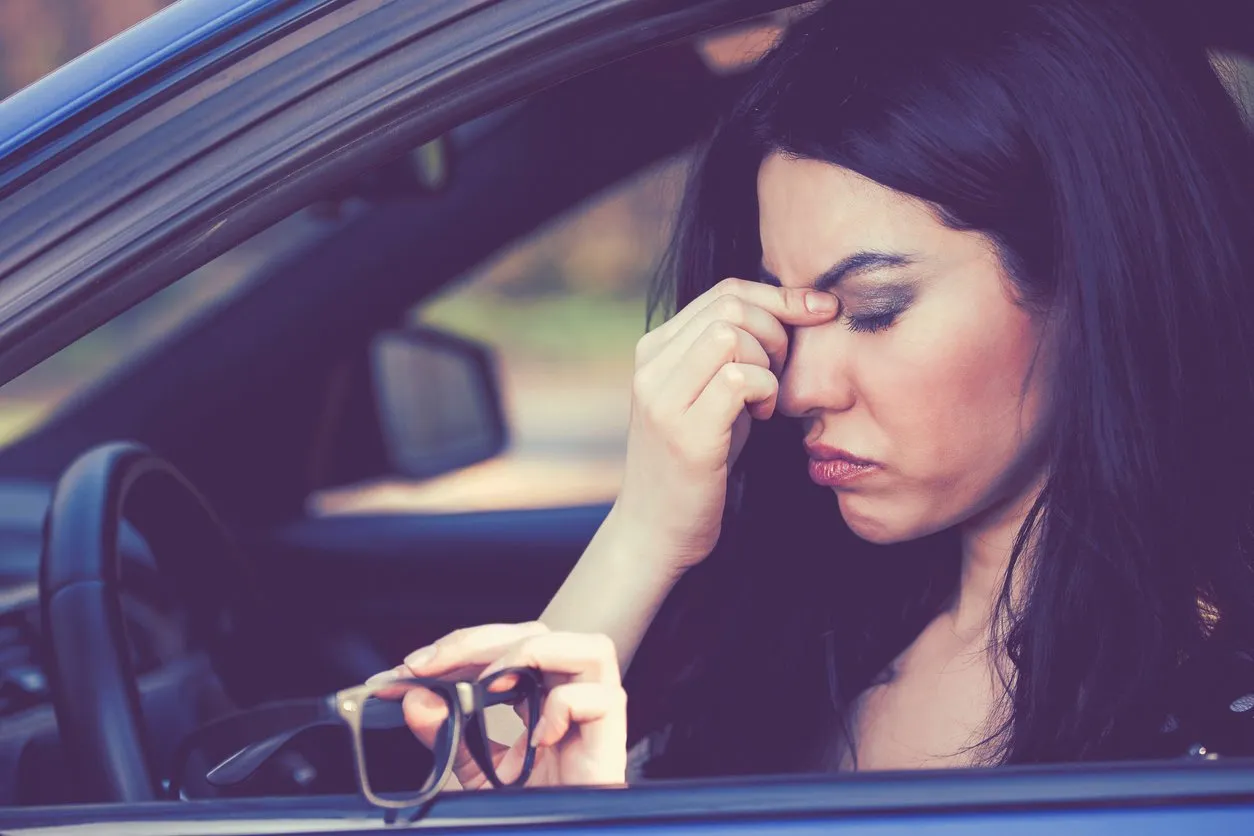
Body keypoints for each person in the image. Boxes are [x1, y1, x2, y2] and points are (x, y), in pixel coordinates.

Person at [380, 0, 1254, 787]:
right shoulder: (797, 638)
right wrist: (642, 536)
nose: (795, 386)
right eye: (780, 310)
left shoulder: (1217, 715)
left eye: (874, 309)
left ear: (1092, 281)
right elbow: (502, 780)